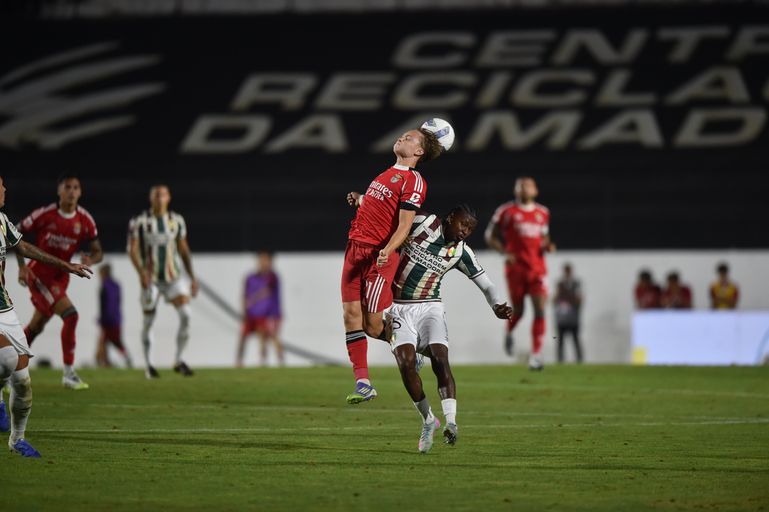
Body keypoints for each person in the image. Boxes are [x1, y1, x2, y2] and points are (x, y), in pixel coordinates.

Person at [386, 204, 513, 453]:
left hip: (430, 307)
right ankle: (427, 420)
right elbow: (390, 215)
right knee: (406, 364)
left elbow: (486, 285)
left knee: (440, 358)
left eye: (470, 229)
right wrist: (363, 201)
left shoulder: (461, 252)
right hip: (398, 306)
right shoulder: (422, 222)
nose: (465, 231)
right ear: (451, 218)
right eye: (463, 224)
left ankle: (451, 423)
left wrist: (496, 305)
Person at [342, 127, 442, 404]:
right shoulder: (387, 173)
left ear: (419, 151)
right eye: (403, 135)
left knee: (373, 326)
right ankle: (363, 383)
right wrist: (360, 199)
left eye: (409, 138)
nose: (401, 138)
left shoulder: (414, 180)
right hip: (355, 250)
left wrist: (388, 249)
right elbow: (379, 207)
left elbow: (405, 225)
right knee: (350, 315)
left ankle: (416, 349)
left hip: (378, 256)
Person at [0, 175, 92, 456]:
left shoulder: (1, 221)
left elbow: (23, 247)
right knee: (7, 359)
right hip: (22, 295)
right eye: (0, 185)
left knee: (22, 381)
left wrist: (66, 265)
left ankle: (17, 440)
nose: (4, 189)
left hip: (5, 307)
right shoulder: (45, 214)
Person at [14, 173, 102, 390]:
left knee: (36, 326)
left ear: (80, 192)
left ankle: (9, 372)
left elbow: (98, 251)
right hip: (40, 275)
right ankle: (69, 374)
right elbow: (15, 233)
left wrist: (91, 259)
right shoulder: (45, 214)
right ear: (59, 191)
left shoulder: (85, 220)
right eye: (67, 187)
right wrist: (22, 266)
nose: (72, 191)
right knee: (71, 315)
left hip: (62, 278)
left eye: (76, 187)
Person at [127, 184, 198, 379]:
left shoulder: (177, 221)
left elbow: (183, 249)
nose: (160, 198)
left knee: (186, 315)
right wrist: (142, 273)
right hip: (151, 280)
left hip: (173, 278)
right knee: (148, 321)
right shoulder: (140, 221)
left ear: (169, 198)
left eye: (163, 195)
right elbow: (132, 250)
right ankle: (149, 365)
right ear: (151, 198)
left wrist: (192, 277)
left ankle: (178, 360)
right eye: (157, 195)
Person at [485, 176, 555, 371]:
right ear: (516, 190)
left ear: (535, 190)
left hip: (538, 269)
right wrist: (504, 252)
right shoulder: (506, 211)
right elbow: (490, 236)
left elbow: (544, 237)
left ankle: (536, 355)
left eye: (529, 186)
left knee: (540, 309)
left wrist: (548, 245)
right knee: (519, 310)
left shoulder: (543, 213)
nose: (525, 188)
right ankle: (509, 331)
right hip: (516, 269)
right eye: (521, 186)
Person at [236, 251, 284, 367]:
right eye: (261, 260)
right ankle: (239, 362)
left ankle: (275, 361)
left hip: (268, 314)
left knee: (268, 336)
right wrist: (244, 310)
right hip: (252, 314)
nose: (263, 263)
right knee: (243, 337)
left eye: (266, 260)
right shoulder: (250, 278)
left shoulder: (272, 277)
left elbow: (266, 291)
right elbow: (244, 294)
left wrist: (252, 300)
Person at [95, 263, 132, 368]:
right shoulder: (117, 285)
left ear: (103, 273)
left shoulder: (104, 286)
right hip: (117, 318)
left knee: (106, 342)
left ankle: (104, 362)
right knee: (112, 341)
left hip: (108, 319)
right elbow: (118, 302)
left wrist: (102, 319)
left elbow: (104, 305)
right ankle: (106, 361)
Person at [553, 263, 583, 363]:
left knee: (575, 339)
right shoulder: (560, 284)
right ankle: (560, 360)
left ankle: (579, 360)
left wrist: (573, 302)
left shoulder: (576, 284)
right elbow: (555, 299)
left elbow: (580, 299)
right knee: (560, 341)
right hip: (562, 318)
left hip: (573, 317)